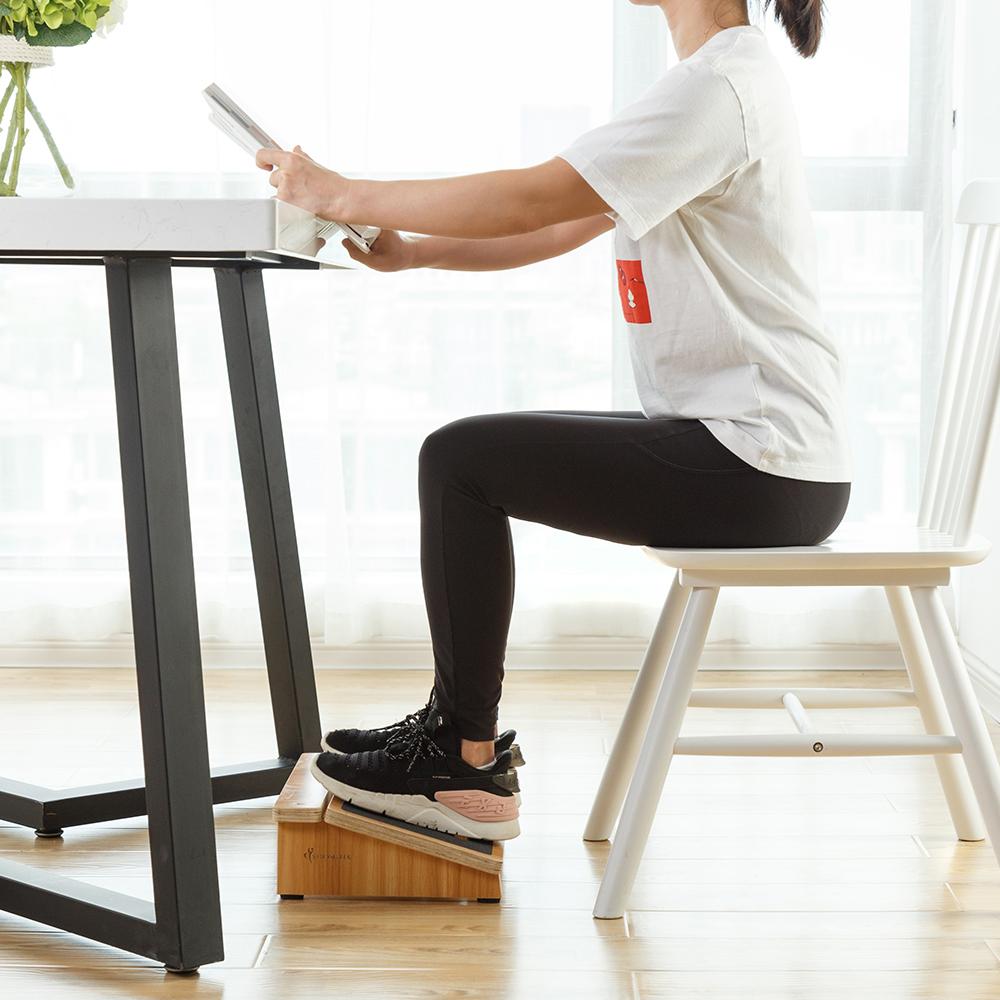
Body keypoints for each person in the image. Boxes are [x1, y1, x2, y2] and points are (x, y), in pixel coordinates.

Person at [257, 0, 850, 842]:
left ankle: (460, 762)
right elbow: (574, 217)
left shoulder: (717, 88)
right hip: (763, 454)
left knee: (459, 460)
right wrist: (416, 249)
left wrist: (339, 190)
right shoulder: (714, 80)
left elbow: (535, 196)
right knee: (467, 455)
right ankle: (454, 735)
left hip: (758, 463)